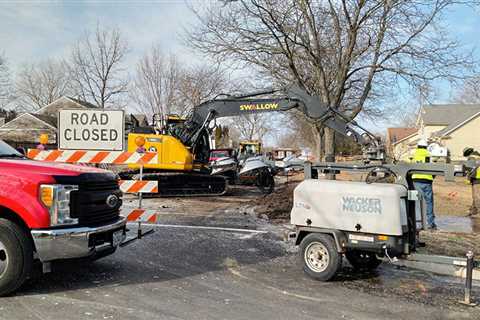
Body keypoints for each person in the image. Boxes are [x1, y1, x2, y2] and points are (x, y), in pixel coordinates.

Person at [412, 139, 437, 230]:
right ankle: (430, 223)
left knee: (416, 202)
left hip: (415, 182)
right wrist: (431, 178)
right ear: (426, 146)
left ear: (418, 146)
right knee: (429, 202)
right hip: (427, 182)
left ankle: (418, 223)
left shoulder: (413, 155)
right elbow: (434, 169)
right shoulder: (429, 155)